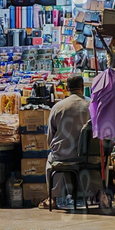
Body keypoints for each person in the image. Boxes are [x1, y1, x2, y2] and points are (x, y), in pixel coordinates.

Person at [40, 73, 91, 209]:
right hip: (88, 157)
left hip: (64, 155)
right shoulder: (92, 105)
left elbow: (50, 138)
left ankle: (52, 199)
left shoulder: (58, 107)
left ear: (67, 88)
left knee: (51, 160)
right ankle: (102, 195)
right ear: (83, 87)